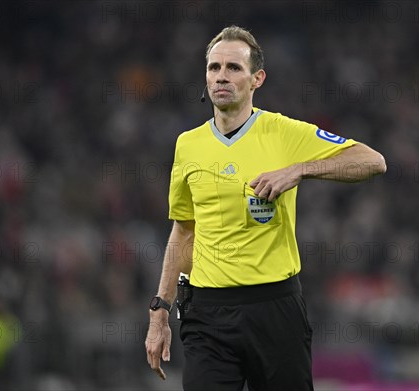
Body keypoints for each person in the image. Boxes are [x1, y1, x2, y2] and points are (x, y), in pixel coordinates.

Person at [145, 25, 386, 391]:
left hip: (274, 309)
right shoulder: (188, 145)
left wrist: (300, 169)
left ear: (257, 78)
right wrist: (159, 310)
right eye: (214, 67)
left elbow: (372, 161)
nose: (221, 76)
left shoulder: (284, 133)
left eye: (233, 68)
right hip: (207, 314)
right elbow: (184, 230)